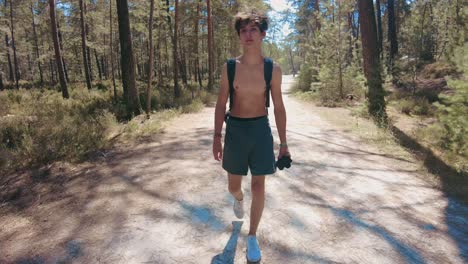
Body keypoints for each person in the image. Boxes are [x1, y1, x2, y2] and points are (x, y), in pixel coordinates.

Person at [212, 10, 290, 262]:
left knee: (259, 184)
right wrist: (216, 136)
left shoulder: (272, 69)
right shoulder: (230, 67)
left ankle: (253, 236)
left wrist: (284, 144)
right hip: (235, 129)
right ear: (239, 35)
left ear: (262, 34)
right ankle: (238, 199)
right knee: (234, 186)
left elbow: (278, 106)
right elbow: (221, 102)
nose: (248, 35)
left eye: (253, 30)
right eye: (243, 30)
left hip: (260, 130)